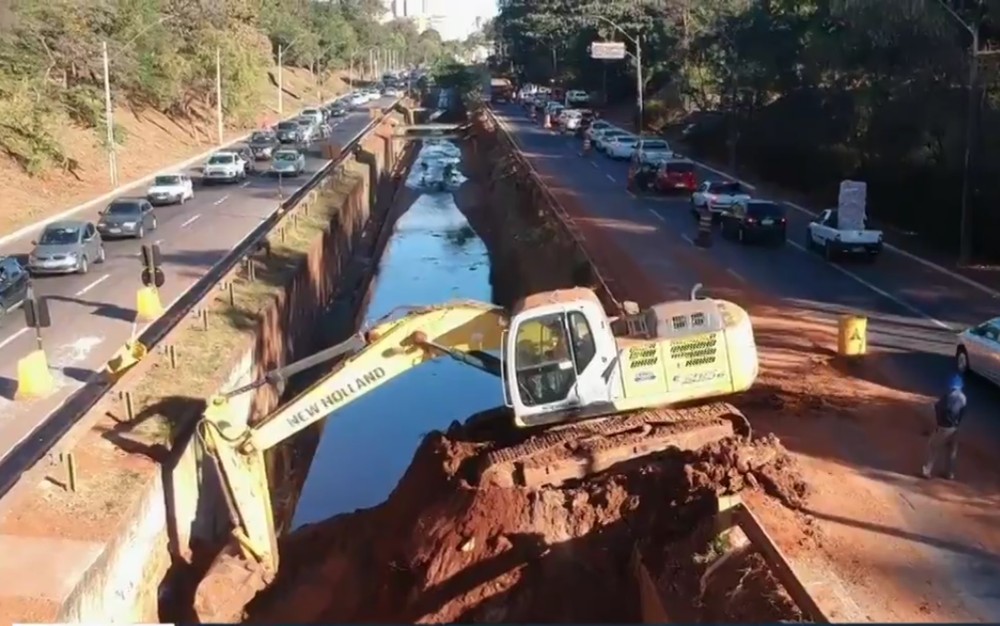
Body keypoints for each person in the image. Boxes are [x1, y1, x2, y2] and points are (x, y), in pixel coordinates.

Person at [921, 374, 967, 479]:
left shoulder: (946, 397)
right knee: (952, 451)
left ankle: (926, 471)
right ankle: (949, 474)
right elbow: (962, 413)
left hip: (944, 428)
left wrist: (939, 424)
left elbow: (938, 409)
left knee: (933, 446)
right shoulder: (963, 398)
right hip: (955, 429)